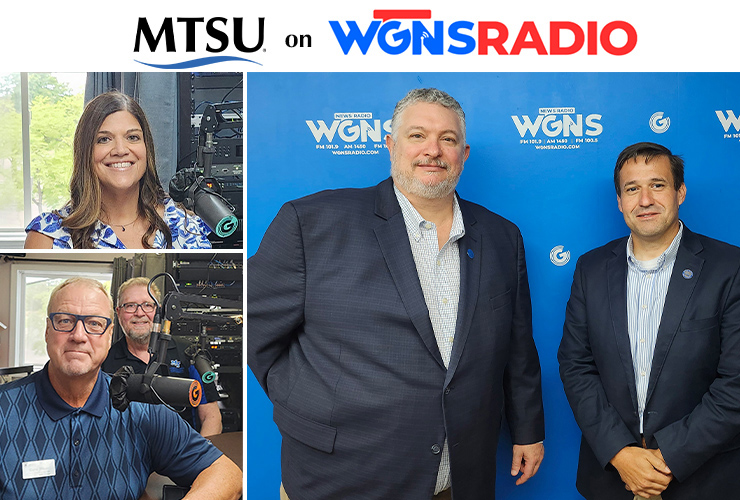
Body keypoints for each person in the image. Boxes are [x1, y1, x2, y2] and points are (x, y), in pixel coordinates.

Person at [248, 88, 545, 500]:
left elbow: (516, 349)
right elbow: (256, 330)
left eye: (448, 139)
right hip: (339, 478)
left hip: (456, 480)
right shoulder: (312, 222)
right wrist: (311, 403)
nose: (433, 150)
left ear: (464, 152)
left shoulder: (501, 236)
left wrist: (528, 430)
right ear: (390, 144)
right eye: (417, 135)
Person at [558, 142, 740, 500]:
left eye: (657, 185)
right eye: (632, 189)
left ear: (680, 192)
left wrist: (667, 459)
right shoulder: (590, 269)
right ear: (619, 201)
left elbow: (735, 383)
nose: (644, 200)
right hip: (613, 478)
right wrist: (621, 454)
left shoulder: (730, 268)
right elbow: (576, 366)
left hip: (704, 478)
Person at [0, 278, 241, 499]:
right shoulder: (4, 409)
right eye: (65, 321)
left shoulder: (142, 408)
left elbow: (226, 474)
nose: (79, 335)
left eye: (94, 323)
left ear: (108, 334)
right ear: (47, 330)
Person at [24, 90, 212, 249]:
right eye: (104, 139)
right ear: (86, 152)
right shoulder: (48, 236)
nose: (121, 150)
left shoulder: (188, 228)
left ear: (147, 149)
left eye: (132, 137)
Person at [102, 277, 223, 436]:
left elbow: (211, 417)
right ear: (118, 312)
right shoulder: (104, 360)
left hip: (181, 454)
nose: (139, 313)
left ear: (159, 310)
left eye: (147, 305)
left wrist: (198, 458)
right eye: (130, 306)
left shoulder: (188, 353)